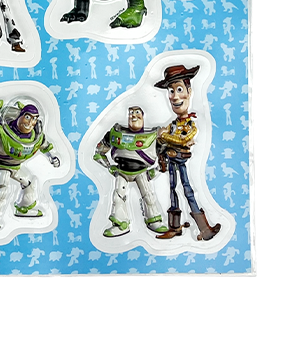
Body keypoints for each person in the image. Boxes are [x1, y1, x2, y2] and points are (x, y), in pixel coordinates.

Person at [0, 99, 60, 230]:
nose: (30, 123)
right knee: (3, 189)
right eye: (27, 117)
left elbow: (46, 147)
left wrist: (52, 156)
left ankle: (23, 208)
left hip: (17, 167)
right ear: (20, 116)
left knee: (30, 183)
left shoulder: (36, 136)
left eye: (34, 119)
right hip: (4, 165)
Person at [154, 64, 221, 241]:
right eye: (171, 91)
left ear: (189, 92)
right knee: (172, 190)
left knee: (188, 191)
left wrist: (165, 136)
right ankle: (174, 227)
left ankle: (204, 228)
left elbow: (182, 139)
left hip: (181, 161)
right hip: (170, 161)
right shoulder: (173, 124)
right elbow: (161, 141)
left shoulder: (190, 124)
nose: (175, 97)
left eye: (179, 89)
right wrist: (164, 140)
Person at [94, 106, 168, 237]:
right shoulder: (115, 134)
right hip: (122, 171)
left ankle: (154, 220)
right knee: (117, 197)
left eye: (137, 112)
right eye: (131, 113)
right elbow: (99, 152)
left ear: (142, 115)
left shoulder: (153, 136)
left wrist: (161, 166)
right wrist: (108, 166)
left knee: (148, 196)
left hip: (141, 172)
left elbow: (165, 154)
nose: (133, 116)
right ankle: (120, 224)